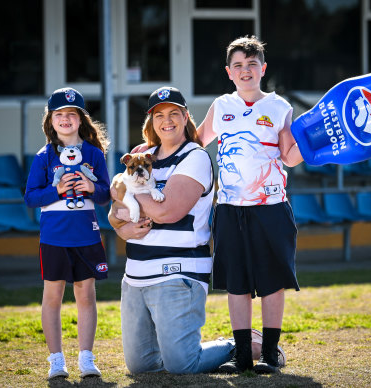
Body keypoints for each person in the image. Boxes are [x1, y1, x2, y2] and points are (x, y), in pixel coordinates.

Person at [110, 86, 243, 374]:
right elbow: (114, 213)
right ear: (151, 121)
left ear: (185, 117)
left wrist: (128, 187)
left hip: (178, 272)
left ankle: (240, 345)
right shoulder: (142, 155)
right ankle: (177, 347)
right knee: (140, 367)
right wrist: (123, 230)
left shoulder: (194, 156)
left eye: (173, 113)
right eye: (159, 115)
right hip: (135, 275)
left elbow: (166, 211)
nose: (166, 121)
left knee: (181, 365)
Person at [197, 35, 303, 374]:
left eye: (252, 64)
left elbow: (290, 156)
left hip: (271, 207)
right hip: (228, 208)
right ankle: (242, 354)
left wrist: (317, 144)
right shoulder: (222, 106)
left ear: (263, 69)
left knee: (271, 280)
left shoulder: (279, 107)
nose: (246, 71)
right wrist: (152, 150)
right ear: (229, 72)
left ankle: (270, 353)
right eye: (239, 66)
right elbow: (195, 144)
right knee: (236, 283)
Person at [24, 87, 111, 380]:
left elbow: (105, 195)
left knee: (86, 295)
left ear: (80, 119)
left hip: (86, 235)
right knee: (53, 297)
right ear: (51, 120)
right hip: (54, 238)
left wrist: (92, 188)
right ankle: (56, 360)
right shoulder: (44, 156)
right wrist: (56, 190)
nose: (65, 119)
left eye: (71, 114)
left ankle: (86, 358)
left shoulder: (94, 154)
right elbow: (31, 197)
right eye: (59, 114)